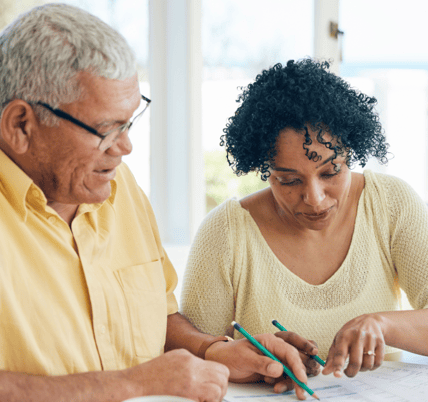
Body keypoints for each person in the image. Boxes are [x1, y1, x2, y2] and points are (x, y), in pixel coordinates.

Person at [0, 4, 315, 402]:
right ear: (22, 124)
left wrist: (214, 351)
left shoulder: (116, 186)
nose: (126, 147)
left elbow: (158, 317)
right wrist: (133, 387)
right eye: (107, 129)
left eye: (131, 120)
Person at [181, 58, 428, 383]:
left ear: (351, 151)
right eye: (289, 180)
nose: (315, 198)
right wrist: (245, 361)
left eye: (331, 172)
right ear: (264, 169)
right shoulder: (226, 232)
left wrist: (384, 324)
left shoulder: (390, 203)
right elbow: (191, 357)